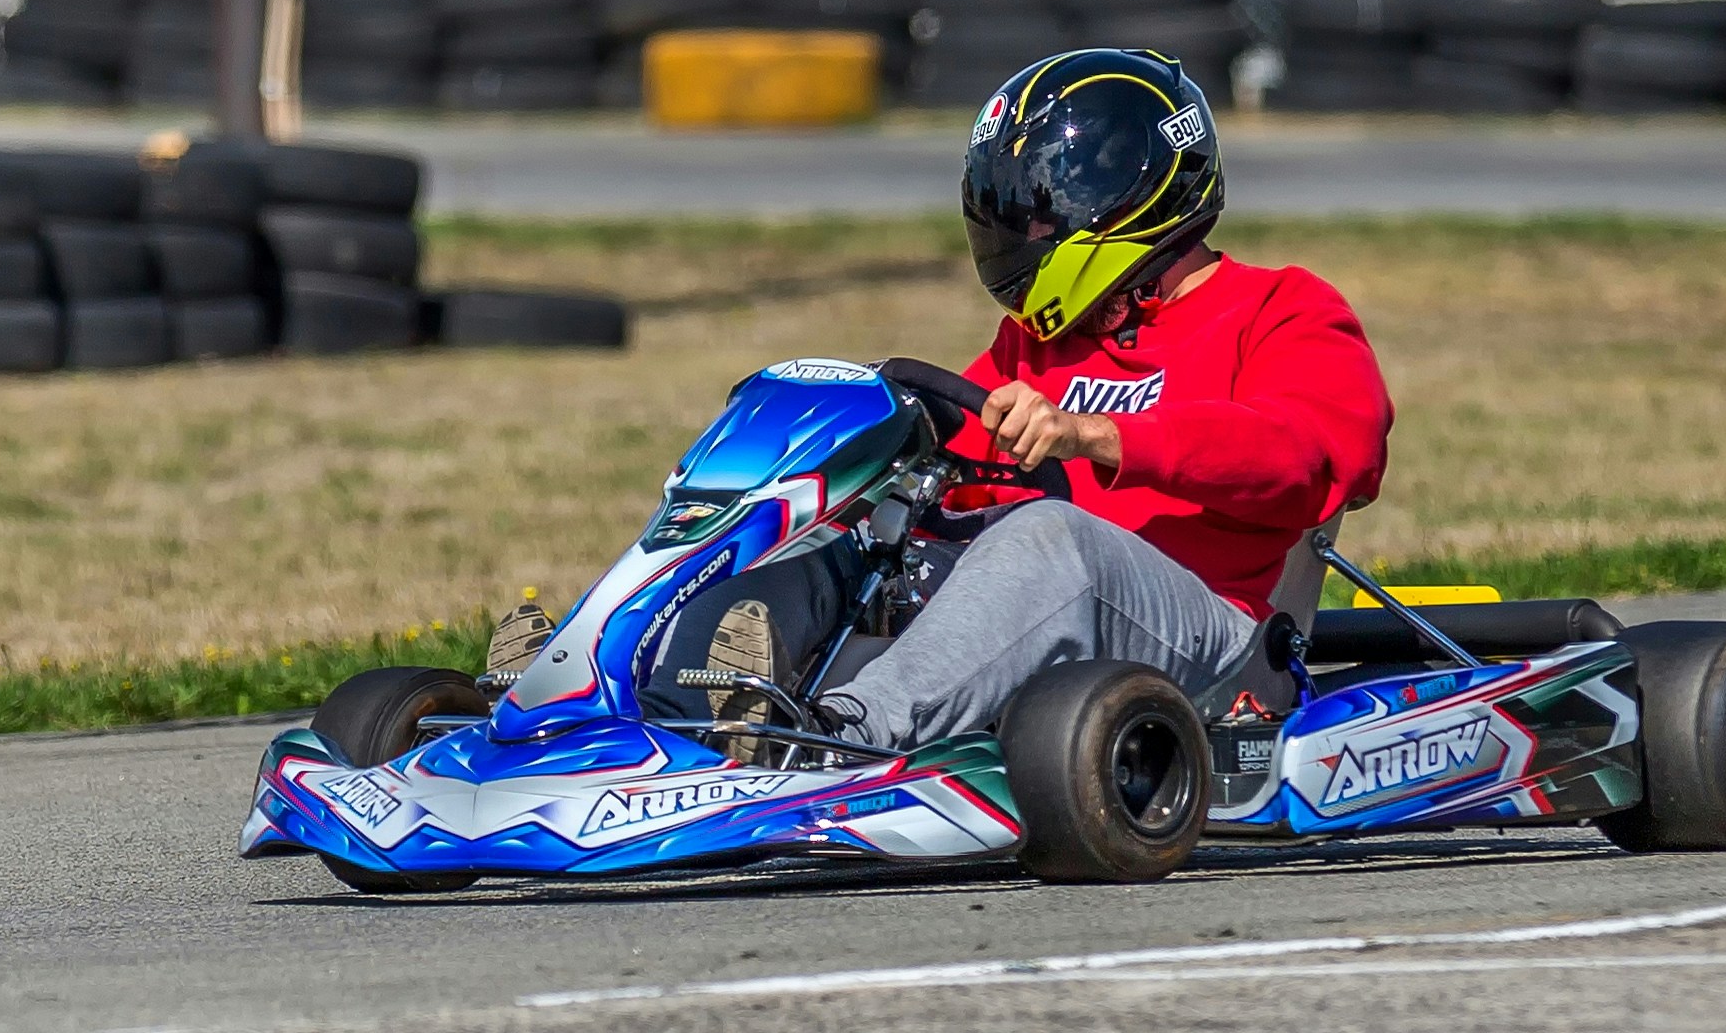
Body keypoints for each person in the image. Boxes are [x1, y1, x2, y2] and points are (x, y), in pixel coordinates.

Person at [488, 46, 1395, 749]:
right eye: (1010, 213)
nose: (1022, 234)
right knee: (850, 528)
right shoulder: (1037, 343)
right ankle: (626, 705)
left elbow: (1311, 459)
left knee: (1052, 538)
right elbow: (959, 481)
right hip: (1050, 634)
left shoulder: (1282, 309)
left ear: (1130, 197)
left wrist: (1097, 435)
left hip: (1213, 646)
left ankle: (839, 736)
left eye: (1041, 214)